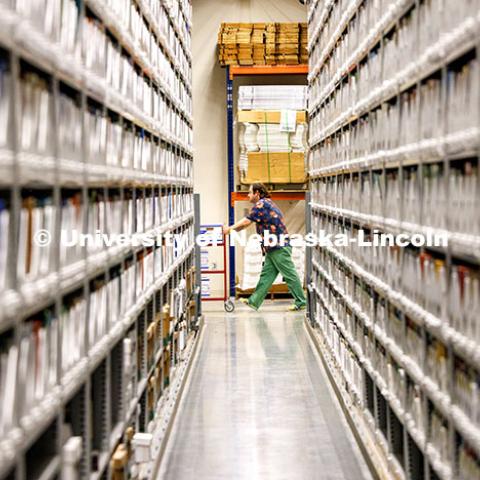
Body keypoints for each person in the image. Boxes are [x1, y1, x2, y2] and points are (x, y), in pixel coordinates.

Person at [222, 183, 307, 311]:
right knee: (266, 276)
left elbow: (246, 222)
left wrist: (229, 229)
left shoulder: (261, 204)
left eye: (250, 193)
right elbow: (247, 223)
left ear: (257, 193)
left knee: (289, 274)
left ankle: (301, 302)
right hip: (273, 247)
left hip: (279, 247)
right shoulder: (267, 203)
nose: (248, 196)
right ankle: (254, 301)